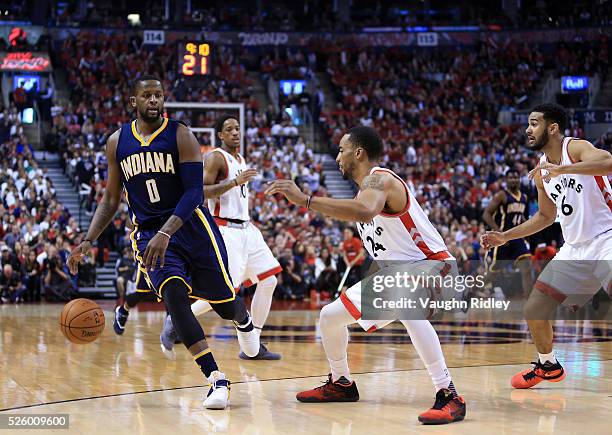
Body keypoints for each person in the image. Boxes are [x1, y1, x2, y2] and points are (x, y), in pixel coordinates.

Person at [67, 75, 260, 410]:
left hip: (191, 227)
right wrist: (88, 239)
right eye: (147, 96)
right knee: (173, 296)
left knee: (225, 304)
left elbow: (194, 193)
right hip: (148, 233)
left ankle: (243, 320)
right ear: (134, 102)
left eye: (158, 95)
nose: (154, 100)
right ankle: (216, 379)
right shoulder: (117, 142)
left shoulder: (180, 133)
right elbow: (111, 199)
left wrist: (167, 231)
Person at [266, 126, 466, 425]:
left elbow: (363, 211)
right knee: (330, 317)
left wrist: (306, 200)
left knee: (407, 305)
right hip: (398, 275)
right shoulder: (366, 190)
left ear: (358, 152)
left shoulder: (380, 178)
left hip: (435, 267)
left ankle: (449, 394)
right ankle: (341, 383)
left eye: (342, 150)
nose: (337, 156)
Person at [481, 103, 612, 389]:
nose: (528, 129)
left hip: (607, 236)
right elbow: (545, 216)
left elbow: (608, 161)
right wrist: (506, 236)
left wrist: (565, 168)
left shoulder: (574, 148)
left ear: (552, 128)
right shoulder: (541, 172)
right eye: (528, 124)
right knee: (534, 309)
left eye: (534, 123)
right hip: (575, 248)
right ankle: (548, 365)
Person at [160, 114, 282, 360]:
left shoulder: (240, 158)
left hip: (247, 229)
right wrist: (234, 182)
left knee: (269, 281)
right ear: (220, 135)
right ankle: (176, 320)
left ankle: (253, 344)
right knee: (227, 292)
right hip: (225, 230)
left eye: (237, 128)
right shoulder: (215, 157)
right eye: (229, 129)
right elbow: (199, 191)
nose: (235, 132)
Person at [482, 169, 532, 296]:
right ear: (506, 180)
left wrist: (528, 227)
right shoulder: (501, 195)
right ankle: (471, 291)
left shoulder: (524, 197)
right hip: (502, 240)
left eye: (516, 177)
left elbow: (520, 217)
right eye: (511, 177)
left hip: (517, 238)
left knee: (526, 268)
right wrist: (498, 232)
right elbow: (486, 214)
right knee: (492, 274)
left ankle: (531, 305)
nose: (513, 179)